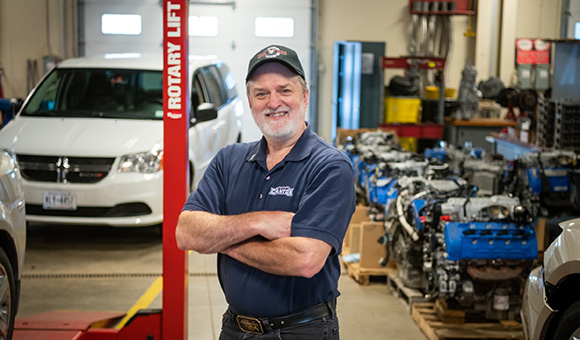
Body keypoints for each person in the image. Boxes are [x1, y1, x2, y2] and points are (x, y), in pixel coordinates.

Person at [176, 44, 356, 339]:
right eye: (261, 93)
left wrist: (221, 241)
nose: (273, 102)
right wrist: (258, 222)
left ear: (305, 96)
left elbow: (305, 259)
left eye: (284, 90)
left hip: (302, 330)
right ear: (250, 102)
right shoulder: (229, 160)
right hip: (235, 328)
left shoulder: (330, 166)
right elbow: (186, 233)